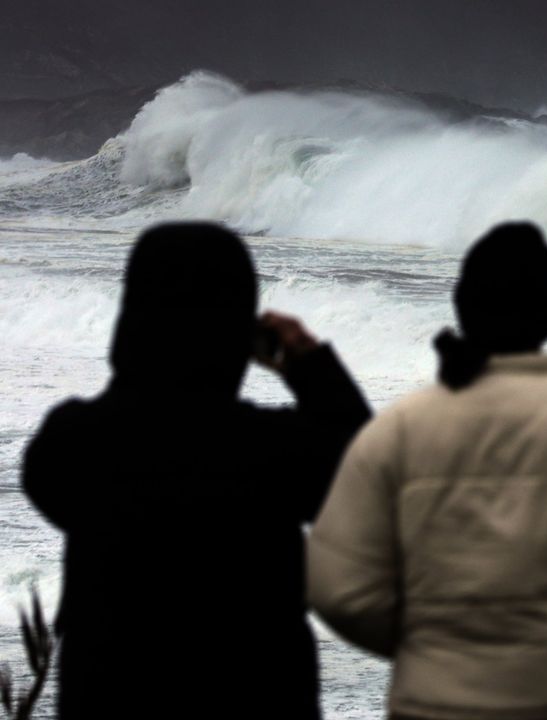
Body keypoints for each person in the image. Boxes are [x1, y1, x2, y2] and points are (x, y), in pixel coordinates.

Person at [308, 222, 547, 720]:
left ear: (462, 309)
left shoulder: (400, 428)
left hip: (433, 703)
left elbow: (340, 588)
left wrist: (428, 643)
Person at [22, 222, 371, 719]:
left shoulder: (76, 441)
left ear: (134, 319)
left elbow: (49, 482)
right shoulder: (272, 451)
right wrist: (308, 363)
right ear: (236, 330)